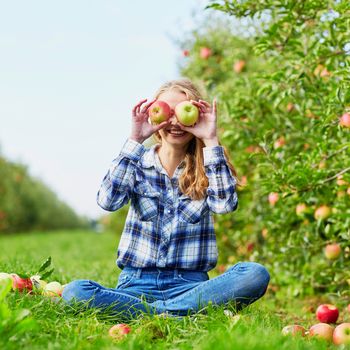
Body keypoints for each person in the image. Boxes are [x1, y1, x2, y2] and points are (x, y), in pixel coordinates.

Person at [62, 78, 270, 319]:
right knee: (76, 292)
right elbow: (108, 201)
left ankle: (151, 314)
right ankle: (181, 314)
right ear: (154, 115)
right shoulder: (137, 160)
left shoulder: (208, 166)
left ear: (196, 115)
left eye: (182, 113)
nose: (174, 122)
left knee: (255, 274)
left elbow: (224, 205)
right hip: (136, 284)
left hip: (191, 286)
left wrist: (211, 140)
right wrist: (135, 140)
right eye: (167, 112)